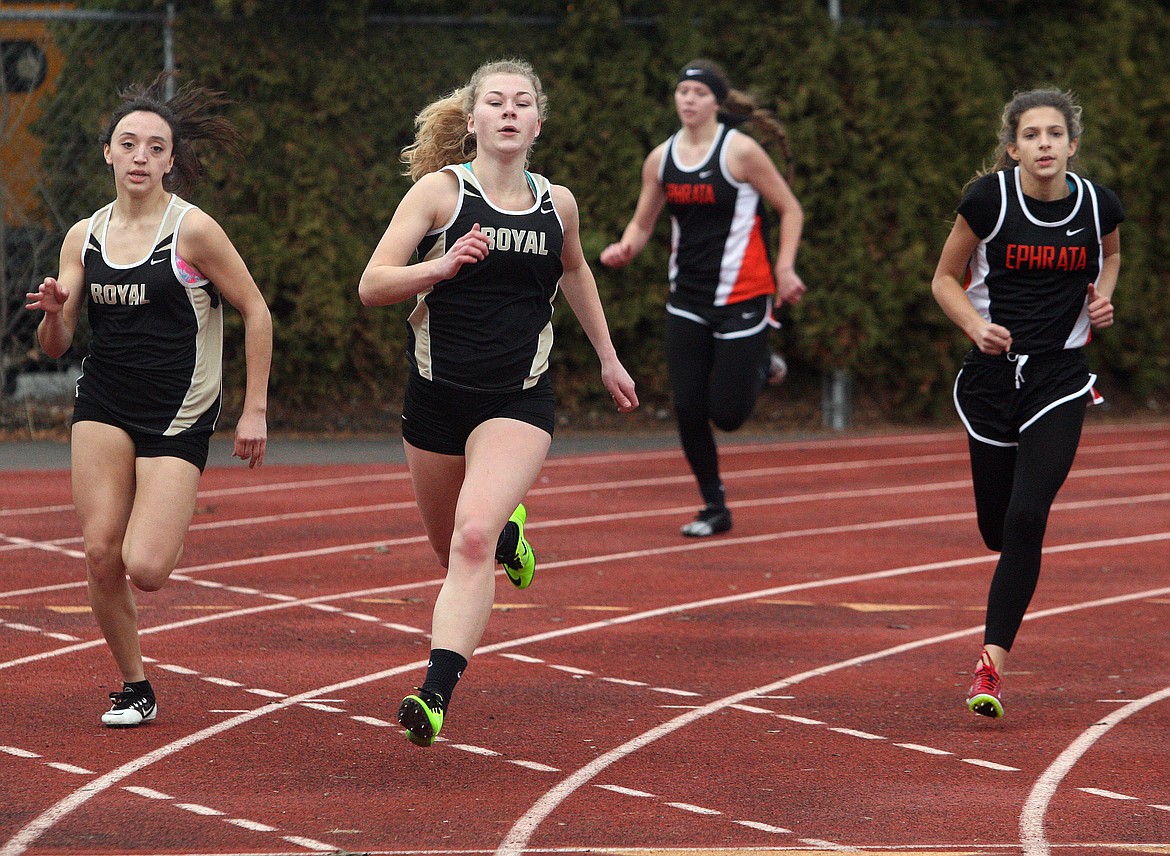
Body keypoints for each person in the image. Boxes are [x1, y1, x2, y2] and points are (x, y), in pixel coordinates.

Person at [358, 58, 638, 747]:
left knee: (471, 537)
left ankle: (433, 694)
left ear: (537, 123)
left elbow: (573, 272)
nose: (509, 111)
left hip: (517, 402)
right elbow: (372, 283)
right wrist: (442, 264)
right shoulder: (439, 194)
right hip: (435, 399)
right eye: (496, 102)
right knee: (448, 549)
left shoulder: (556, 204)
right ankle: (512, 536)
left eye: (522, 103)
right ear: (474, 119)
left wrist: (606, 356)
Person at [25, 75, 273, 727]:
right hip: (103, 403)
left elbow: (256, 310)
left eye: (154, 147)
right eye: (128, 143)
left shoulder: (193, 232)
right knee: (101, 552)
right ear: (108, 152)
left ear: (170, 161)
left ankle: (160, 507)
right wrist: (53, 312)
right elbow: (56, 344)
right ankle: (135, 685)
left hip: (179, 411)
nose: (140, 156)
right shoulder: (85, 235)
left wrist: (254, 409)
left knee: (147, 567)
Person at [930, 88, 1122, 718]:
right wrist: (973, 327)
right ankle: (1008, 555)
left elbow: (1112, 255)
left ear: (1072, 143)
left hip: (1059, 380)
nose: (1045, 144)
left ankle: (991, 667)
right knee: (997, 528)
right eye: (1032, 135)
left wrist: (1101, 298)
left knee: (1026, 517)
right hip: (990, 380)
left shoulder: (1097, 205)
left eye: (1055, 134)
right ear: (1013, 148)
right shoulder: (989, 201)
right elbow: (942, 280)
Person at [600, 59, 806, 538]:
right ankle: (714, 505)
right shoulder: (662, 159)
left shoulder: (741, 153)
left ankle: (760, 361)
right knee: (688, 404)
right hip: (687, 297)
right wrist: (626, 246)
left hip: (744, 293)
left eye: (698, 92)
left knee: (728, 416)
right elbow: (643, 221)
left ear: (717, 101)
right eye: (682, 92)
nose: (688, 100)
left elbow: (789, 208)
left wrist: (785, 266)